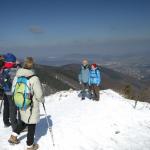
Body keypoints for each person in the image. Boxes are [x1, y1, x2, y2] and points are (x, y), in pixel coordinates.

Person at [8, 57, 44, 150]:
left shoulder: (18, 76)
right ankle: (30, 146)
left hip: (21, 103)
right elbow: (39, 94)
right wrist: (42, 100)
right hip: (31, 105)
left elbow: (13, 89)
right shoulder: (34, 78)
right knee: (31, 124)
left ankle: (13, 136)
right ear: (33, 65)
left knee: (24, 121)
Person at [0, 53, 17, 127]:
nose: (14, 63)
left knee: (6, 106)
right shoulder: (13, 70)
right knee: (13, 108)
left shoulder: (3, 69)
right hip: (11, 92)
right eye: (13, 62)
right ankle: (15, 125)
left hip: (5, 90)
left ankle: (6, 122)